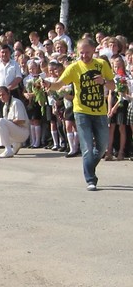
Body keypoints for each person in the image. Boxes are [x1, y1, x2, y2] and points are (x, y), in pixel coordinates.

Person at [43, 39, 115, 191]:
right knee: (87, 146)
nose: (84, 56)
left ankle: (89, 166)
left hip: (99, 112)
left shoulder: (101, 65)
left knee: (102, 147)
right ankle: (90, 179)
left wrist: (103, 81)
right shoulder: (74, 67)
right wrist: (49, 85)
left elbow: (113, 85)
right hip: (81, 112)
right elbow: (59, 84)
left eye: (87, 52)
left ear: (93, 51)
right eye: (81, 53)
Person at [0, 86, 30, 158]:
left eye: (3, 94)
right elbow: (5, 126)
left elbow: (21, 121)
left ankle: (8, 150)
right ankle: (15, 143)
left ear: (8, 93)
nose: (1, 97)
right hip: (14, 132)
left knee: (1, 121)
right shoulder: (5, 106)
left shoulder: (16, 102)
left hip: (23, 132)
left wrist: (6, 121)